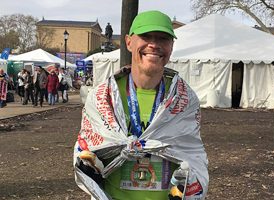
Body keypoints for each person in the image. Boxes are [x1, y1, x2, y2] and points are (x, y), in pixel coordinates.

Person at [73, 10, 209, 200]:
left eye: (163, 38)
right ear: (128, 42)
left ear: (171, 46)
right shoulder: (104, 97)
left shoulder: (184, 99)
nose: (154, 44)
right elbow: (87, 146)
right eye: (146, 36)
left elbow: (191, 152)